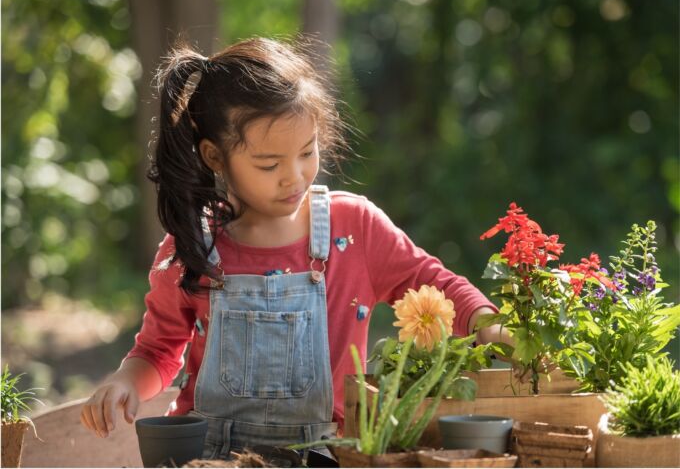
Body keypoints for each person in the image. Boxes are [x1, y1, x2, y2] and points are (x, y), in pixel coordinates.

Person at [80, 37, 511, 458]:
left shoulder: (354, 227)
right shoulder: (193, 242)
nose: (295, 176)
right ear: (214, 156)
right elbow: (159, 351)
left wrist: (490, 324)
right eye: (269, 164)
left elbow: (434, 283)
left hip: (325, 455)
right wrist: (125, 382)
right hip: (211, 457)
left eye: (308, 152)